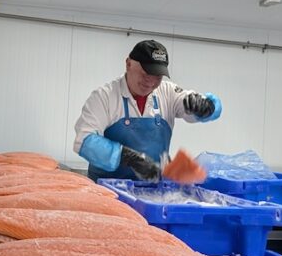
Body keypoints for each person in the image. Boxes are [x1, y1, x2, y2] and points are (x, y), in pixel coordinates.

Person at [73, 40, 221, 181]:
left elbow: (206, 106)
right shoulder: (104, 96)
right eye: (145, 73)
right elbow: (84, 140)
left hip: (151, 191)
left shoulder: (168, 92)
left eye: (157, 76)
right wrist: (127, 157)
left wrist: (206, 107)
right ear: (128, 64)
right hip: (106, 190)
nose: (150, 82)